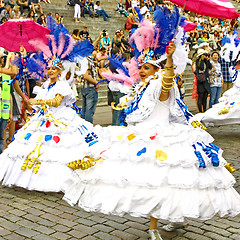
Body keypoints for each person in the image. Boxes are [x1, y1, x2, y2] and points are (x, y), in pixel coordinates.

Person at [62, 8, 240, 240]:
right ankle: (158, 224)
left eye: (147, 68)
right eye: (142, 67)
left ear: (156, 68)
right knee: (158, 183)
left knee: (170, 182)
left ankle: (166, 221)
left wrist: (167, 65)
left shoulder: (160, 82)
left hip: (165, 135)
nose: (142, 71)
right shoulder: (145, 85)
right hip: (146, 132)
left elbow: (165, 90)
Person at [0, 16, 104, 192]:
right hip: (44, 119)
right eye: (49, 68)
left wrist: (37, 100)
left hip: (60, 119)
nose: (51, 71)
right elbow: (40, 95)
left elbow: (56, 101)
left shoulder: (63, 85)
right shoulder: (47, 84)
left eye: (54, 69)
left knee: (59, 150)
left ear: (59, 71)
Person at [79, 57, 98, 123]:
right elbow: (85, 75)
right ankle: (88, 128)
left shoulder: (82, 59)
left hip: (85, 87)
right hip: (90, 87)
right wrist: (96, 82)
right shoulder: (86, 60)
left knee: (84, 110)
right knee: (89, 110)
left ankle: (83, 127)